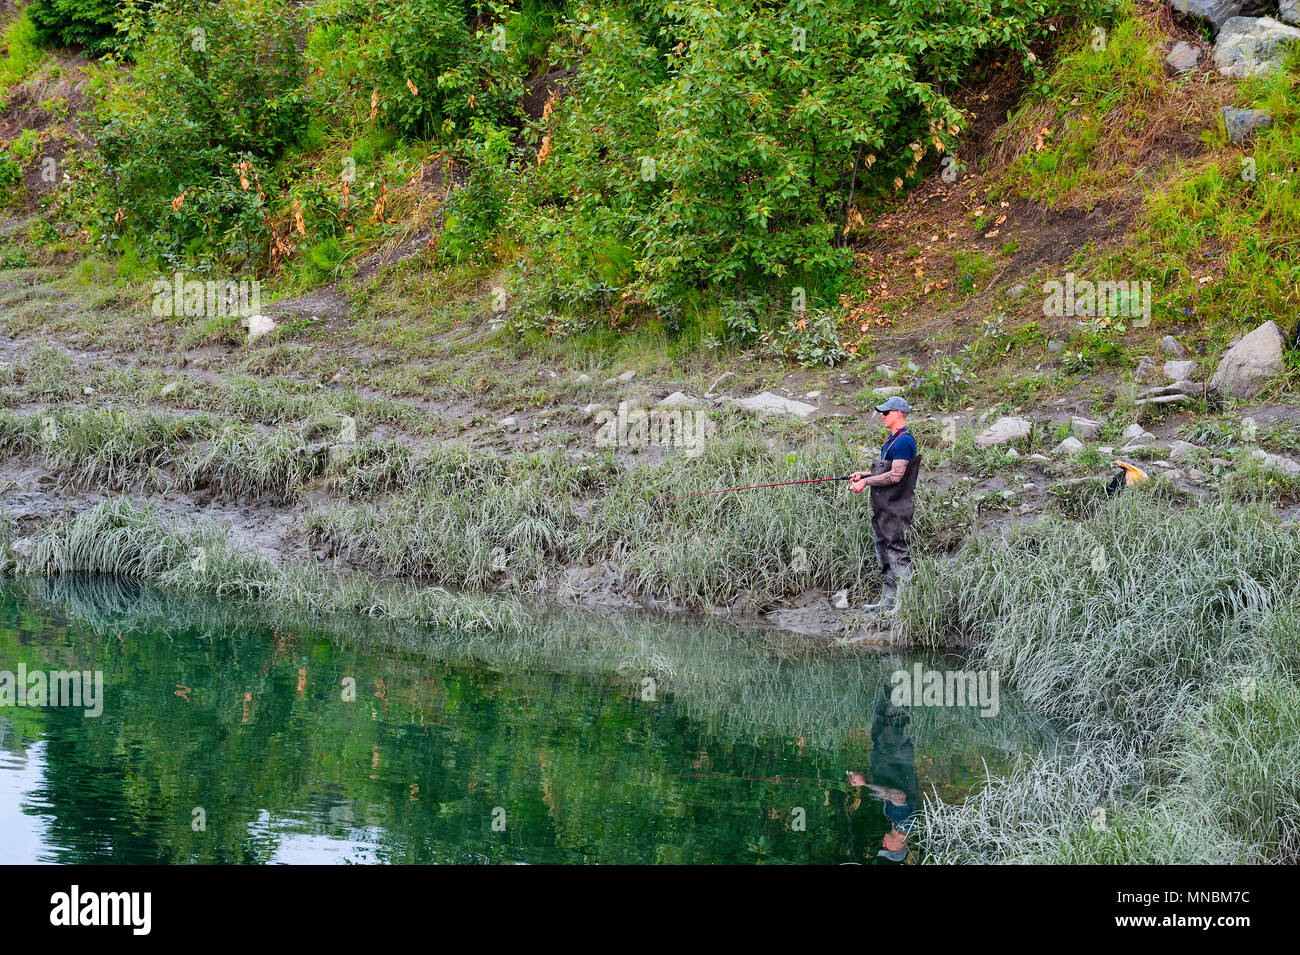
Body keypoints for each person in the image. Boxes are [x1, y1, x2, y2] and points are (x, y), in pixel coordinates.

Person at [849, 395, 920, 613]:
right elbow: (887, 471)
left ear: (899, 414)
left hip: (897, 509)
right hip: (883, 509)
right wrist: (864, 474)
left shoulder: (904, 441)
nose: (883, 416)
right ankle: (888, 602)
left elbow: (897, 476)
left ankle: (904, 606)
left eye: (886, 412)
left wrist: (866, 482)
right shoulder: (892, 440)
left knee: (898, 554)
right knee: (884, 554)